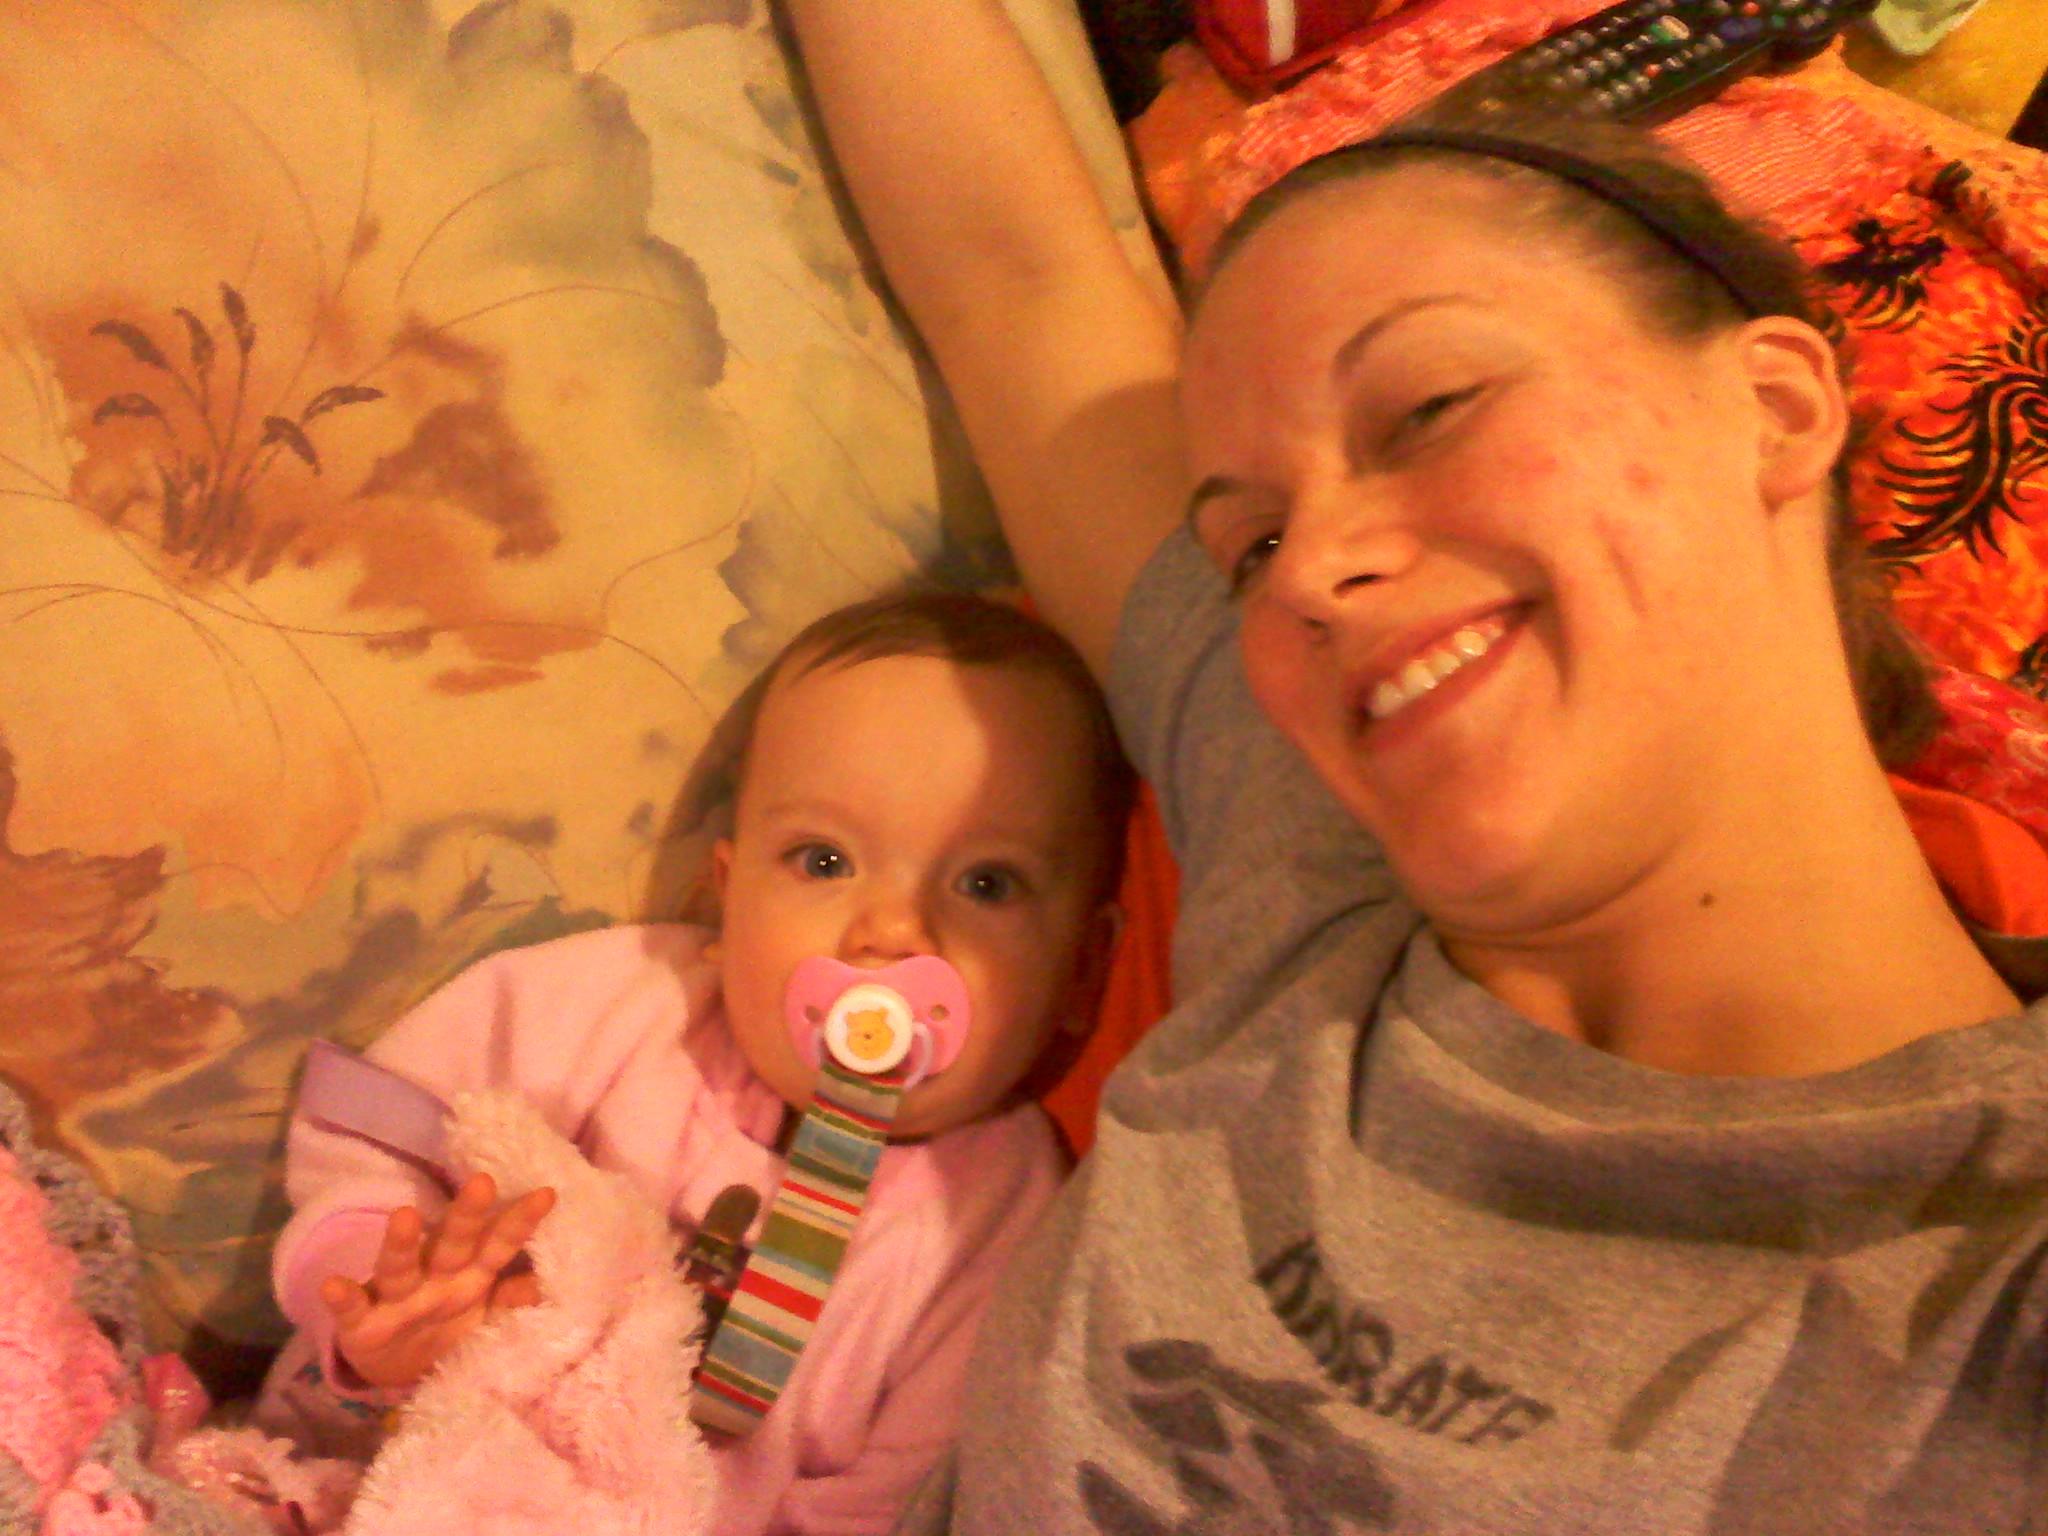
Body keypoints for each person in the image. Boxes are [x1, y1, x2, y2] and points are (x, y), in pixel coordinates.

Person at [783, 3, 2048, 1531]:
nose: (1311, 571)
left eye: (1431, 409)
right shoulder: (1315, 879)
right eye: (1249, 544)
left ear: (1771, 407)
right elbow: (1017, 282)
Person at [255, 590, 1130, 1533]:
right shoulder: (626, 1005)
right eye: (824, 862)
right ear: (729, 893)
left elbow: (898, 1504)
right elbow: (378, 1121)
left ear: (1082, 971)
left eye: (987, 883)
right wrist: (380, 1288)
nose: (889, 931)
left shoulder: (1004, 1231)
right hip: (377, 1473)